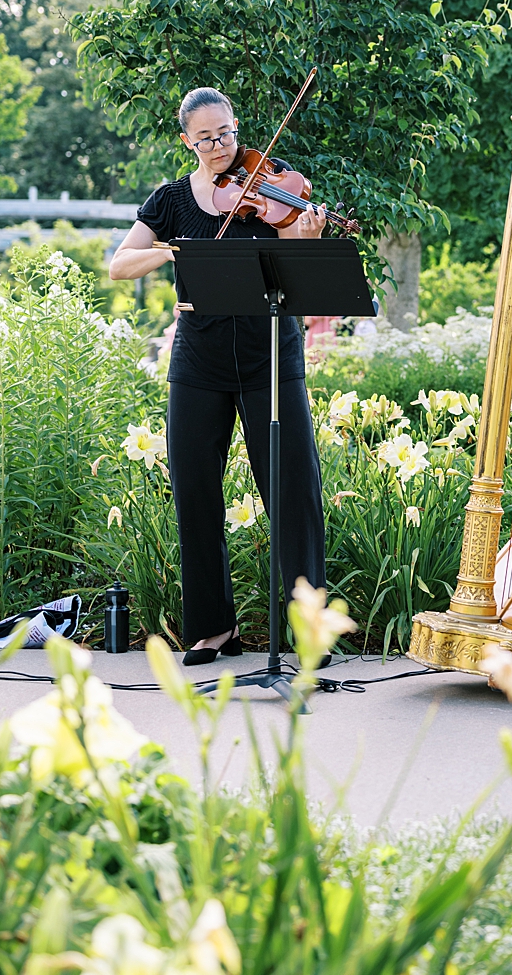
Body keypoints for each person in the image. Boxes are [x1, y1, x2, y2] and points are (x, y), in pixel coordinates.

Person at [108, 87, 328, 666]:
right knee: (195, 492)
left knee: (293, 489)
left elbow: (298, 267)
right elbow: (119, 264)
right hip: (199, 363)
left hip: (269, 359)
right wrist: (169, 252)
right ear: (187, 139)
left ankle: (309, 631)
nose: (219, 147)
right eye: (205, 138)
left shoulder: (271, 189)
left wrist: (305, 234)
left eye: (226, 134)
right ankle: (213, 628)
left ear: (236, 127)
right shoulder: (171, 200)